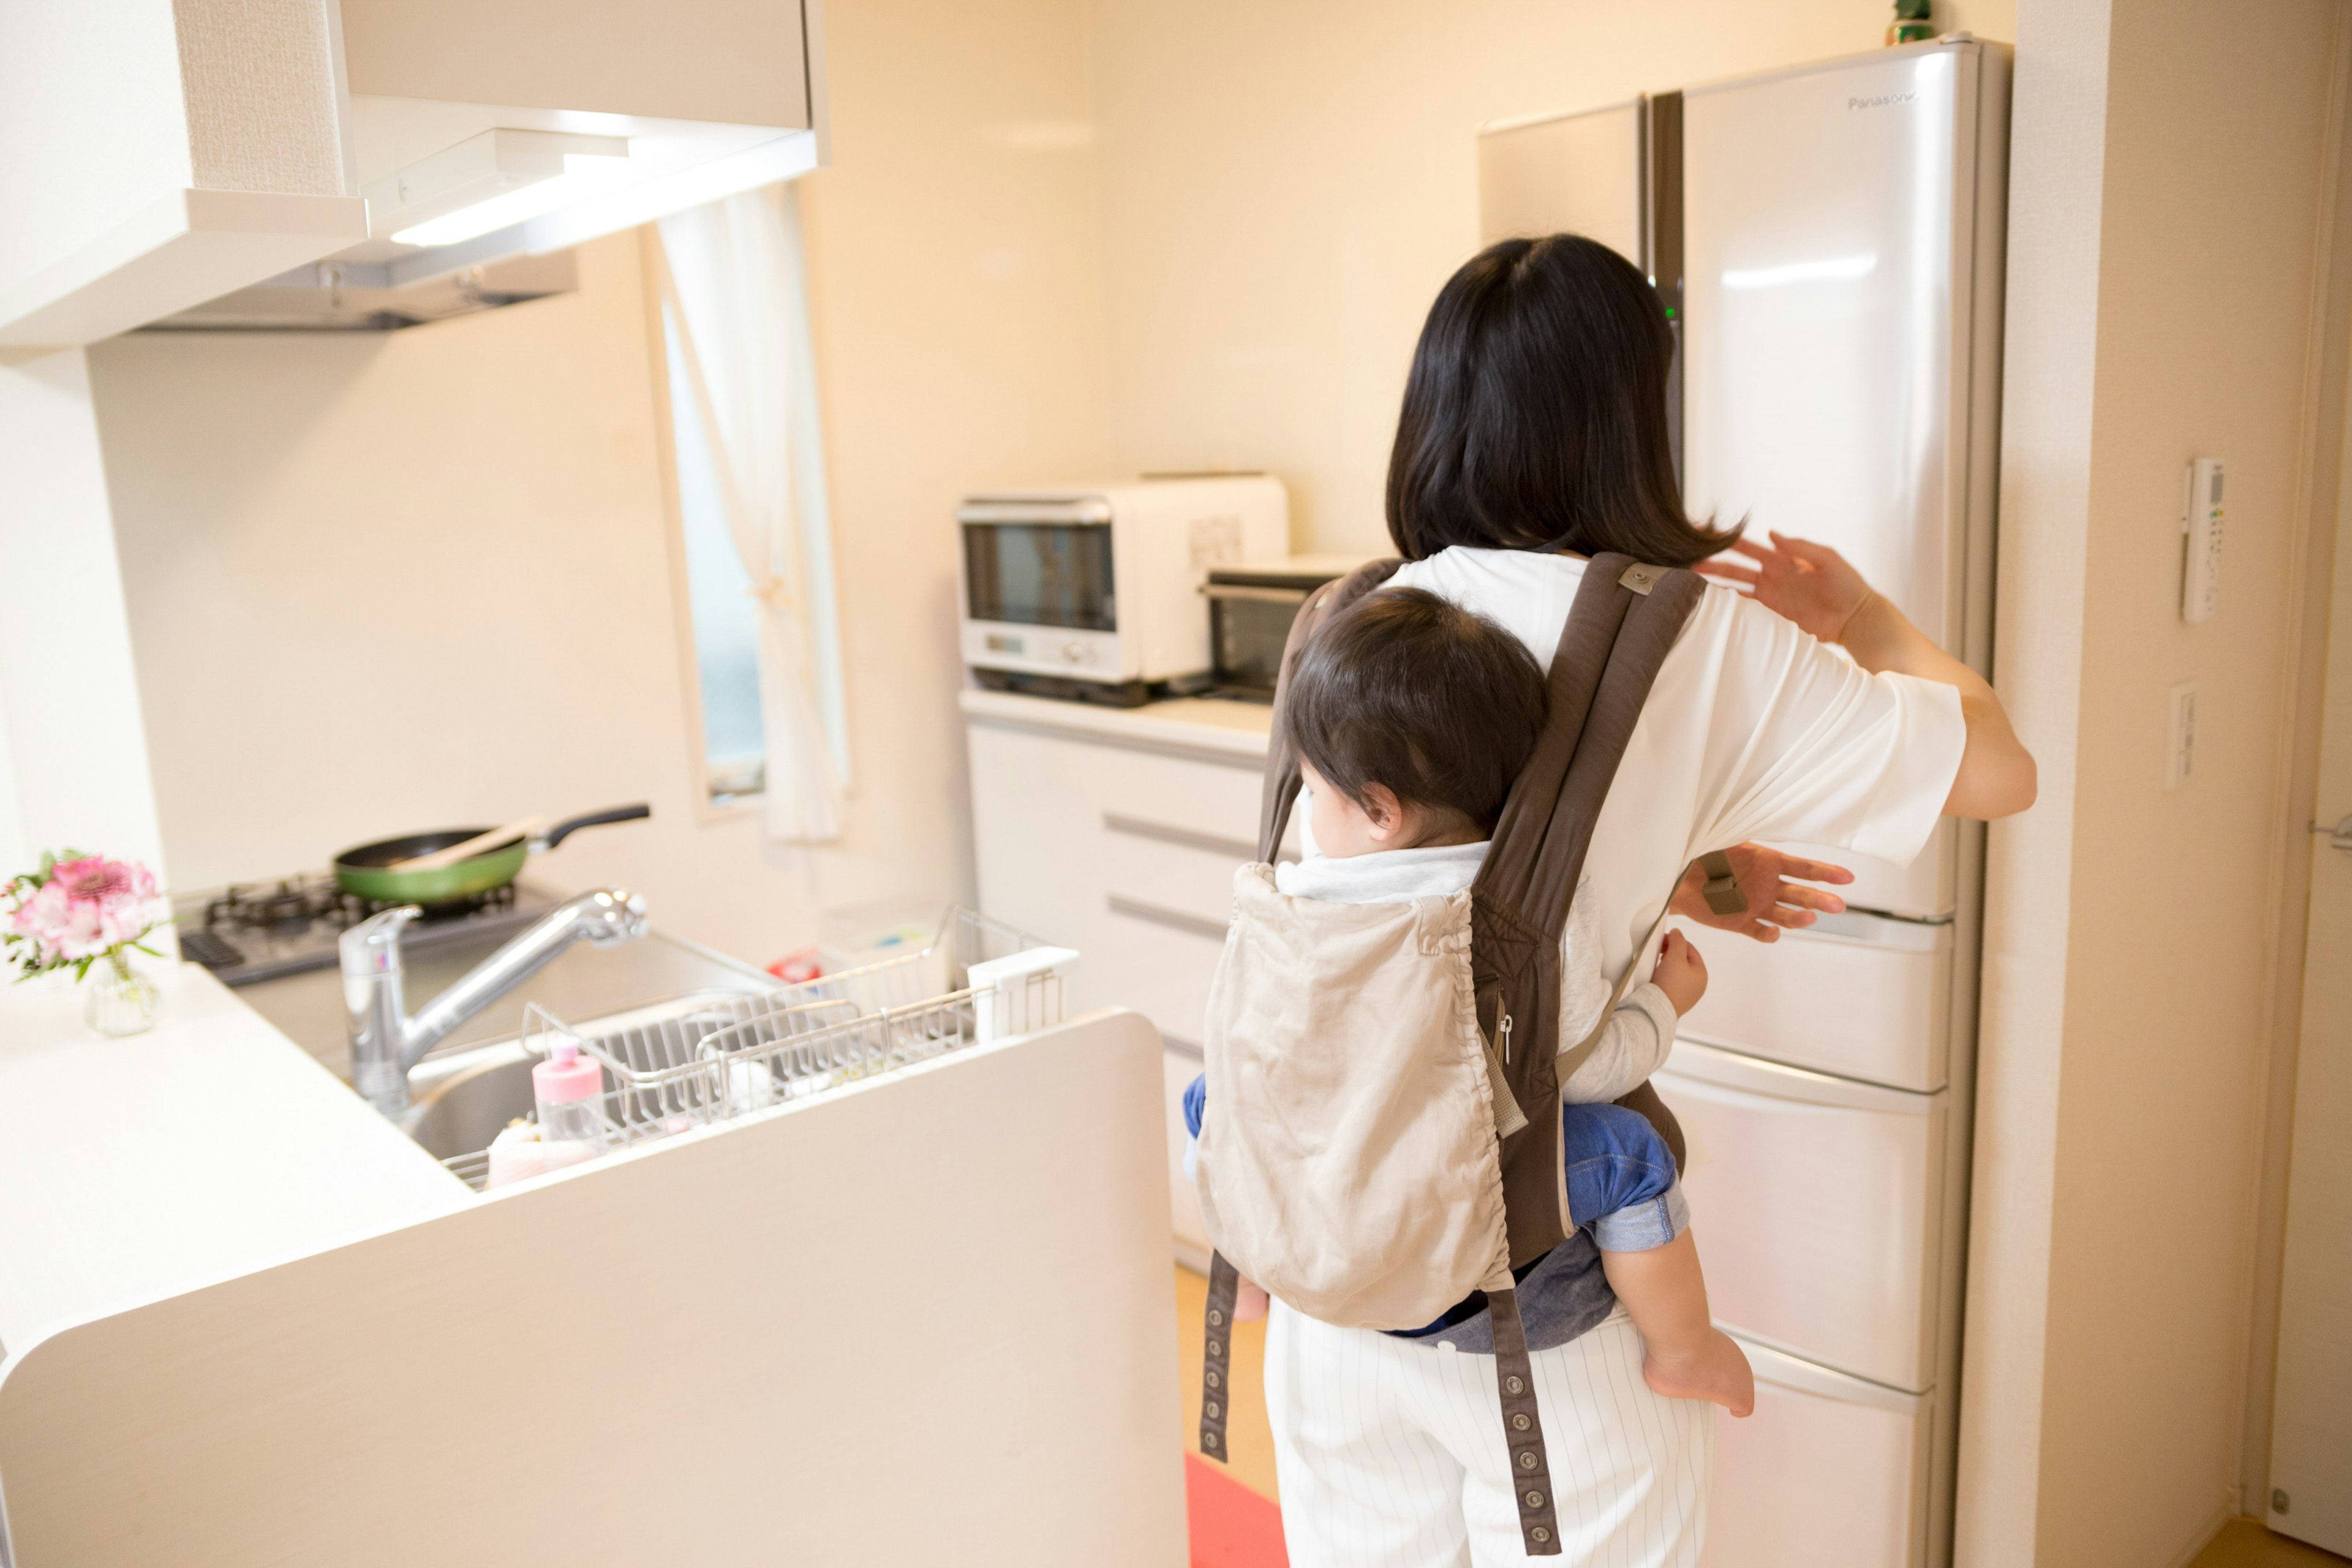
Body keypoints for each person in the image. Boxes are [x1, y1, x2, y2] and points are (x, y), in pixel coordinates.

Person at [1251, 233, 2035, 1568]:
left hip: (1330, 1275)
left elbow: (1398, 898)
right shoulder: (1693, 634)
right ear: (1635, 418)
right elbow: (2000, 772)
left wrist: (1674, 866)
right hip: (1543, 1321)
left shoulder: (1349, 614)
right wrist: (1873, 623)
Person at [1182, 584, 1756, 1419]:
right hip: (1447, 1194)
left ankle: (1252, 1280)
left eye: (1313, 790)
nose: (1306, 809)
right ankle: (1685, 1349)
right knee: (1631, 1157)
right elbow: (1585, 1073)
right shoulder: (1525, 917)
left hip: (1328, 1190)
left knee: (1209, 1099)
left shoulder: (1298, 901)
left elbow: (1257, 1056)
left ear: (1378, 810)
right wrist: (1668, 1001)